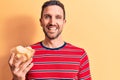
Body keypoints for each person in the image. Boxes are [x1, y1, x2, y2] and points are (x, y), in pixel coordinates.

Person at [8, 0, 92, 80]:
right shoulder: (26, 55)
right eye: (47, 16)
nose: (52, 22)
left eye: (58, 17)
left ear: (64, 22)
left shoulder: (80, 55)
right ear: (41, 22)